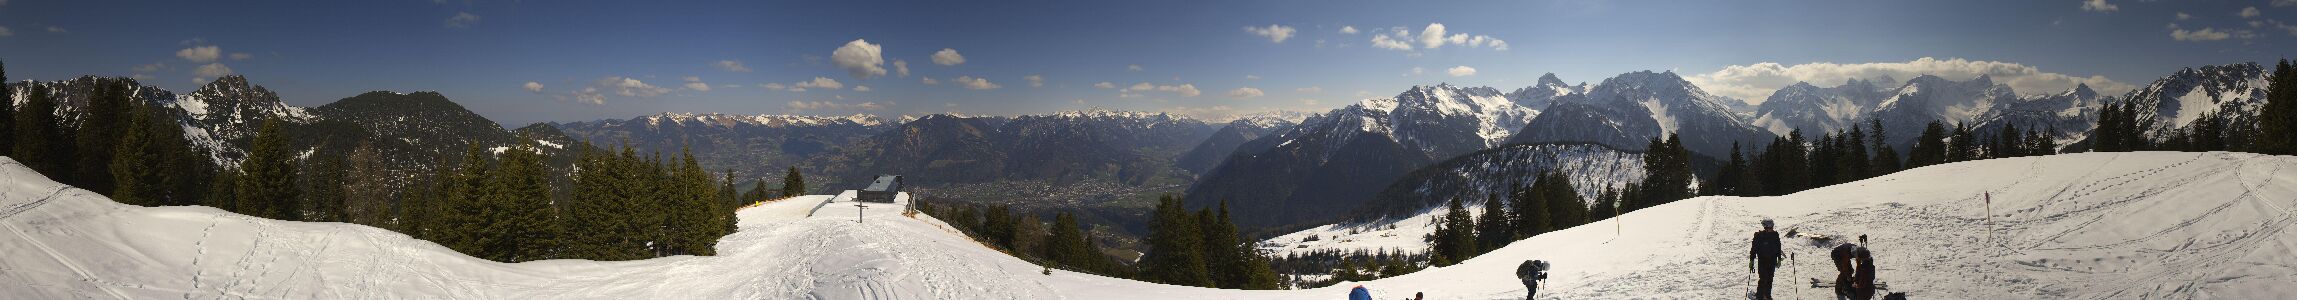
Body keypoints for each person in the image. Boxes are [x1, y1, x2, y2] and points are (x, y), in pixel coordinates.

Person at [1750, 219, 1783, 300]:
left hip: (1772, 261)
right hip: (1762, 261)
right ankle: (1760, 297)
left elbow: (1778, 247)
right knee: (1763, 279)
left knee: (1770, 279)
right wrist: (1752, 260)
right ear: (1765, 227)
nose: (1771, 229)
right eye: (1769, 228)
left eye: (1772, 227)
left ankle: (1767, 296)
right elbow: (1753, 249)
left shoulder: (1775, 235)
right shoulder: (1759, 236)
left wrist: (1779, 258)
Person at [1853, 235, 1878, 300]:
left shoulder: (1864, 269)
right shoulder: (1869, 264)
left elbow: (1860, 285)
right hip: (1869, 290)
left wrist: (1855, 284)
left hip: (1864, 293)